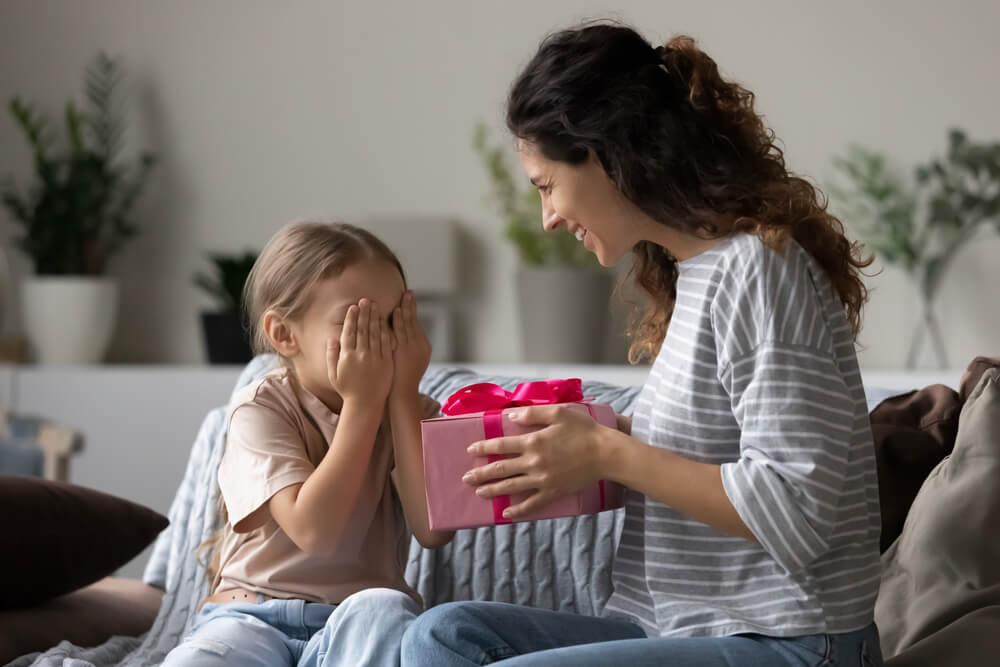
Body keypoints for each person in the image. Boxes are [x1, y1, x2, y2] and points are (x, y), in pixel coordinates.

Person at [402, 22, 883, 667]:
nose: (547, 217)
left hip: (789, 638)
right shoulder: (694, 277)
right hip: (684, 628)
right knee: (441, 635)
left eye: (547, 185)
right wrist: (579, 451)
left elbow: (795, 508)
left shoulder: (757, 270)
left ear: (604, 156)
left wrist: (606, 452)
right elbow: (707, 459)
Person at [163, 221, 454, 667]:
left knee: (388, 611)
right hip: (251, 614)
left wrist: (398, 399)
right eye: (356, 322)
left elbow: (432, 530)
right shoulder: (261, 409)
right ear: (284, 335)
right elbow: (316, 532)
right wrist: (363, 403)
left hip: (354, 624)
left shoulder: (411, 410)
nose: (380, 341)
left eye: (394, 321)